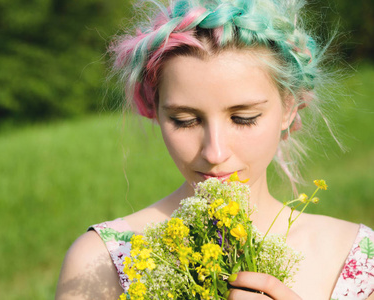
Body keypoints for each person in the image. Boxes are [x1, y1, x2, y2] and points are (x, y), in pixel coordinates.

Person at [55, 0, 374, 299]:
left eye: (243, 118)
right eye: (184, 120)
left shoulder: (355, 257)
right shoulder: (101, 263)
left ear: (289, 107)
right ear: (155, 109)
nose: (215, 152)